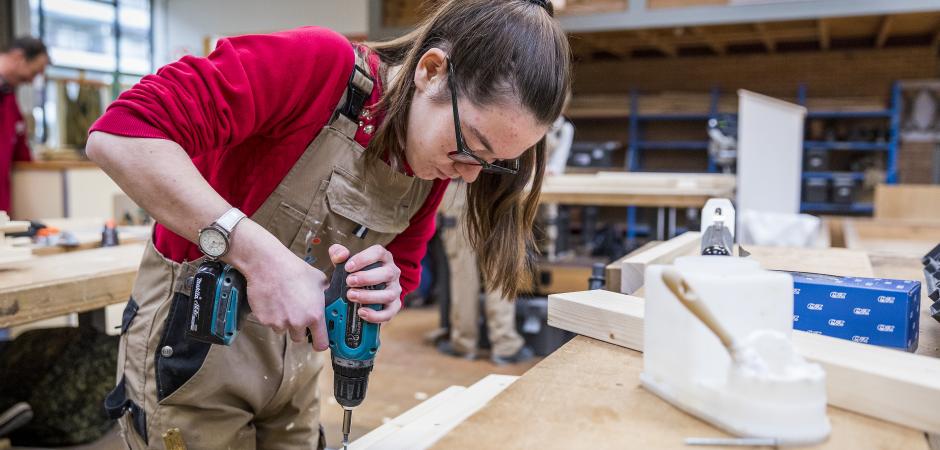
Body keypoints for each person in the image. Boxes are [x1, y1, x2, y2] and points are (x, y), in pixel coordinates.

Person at [86, 0, 570, 448]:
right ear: (431, 72)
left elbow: (402, 265)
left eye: (492, 164)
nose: (468, 173)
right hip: (192, 356)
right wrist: (260, 256)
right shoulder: (317, 67)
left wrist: (387, 289)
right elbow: (121, 136)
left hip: (293, 373)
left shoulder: (431, 159)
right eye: (471, 147)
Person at [0, 37, 47, 215]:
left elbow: (22, 155)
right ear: (19, 57)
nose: (31, 80)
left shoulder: (9, 101)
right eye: (34, 72)